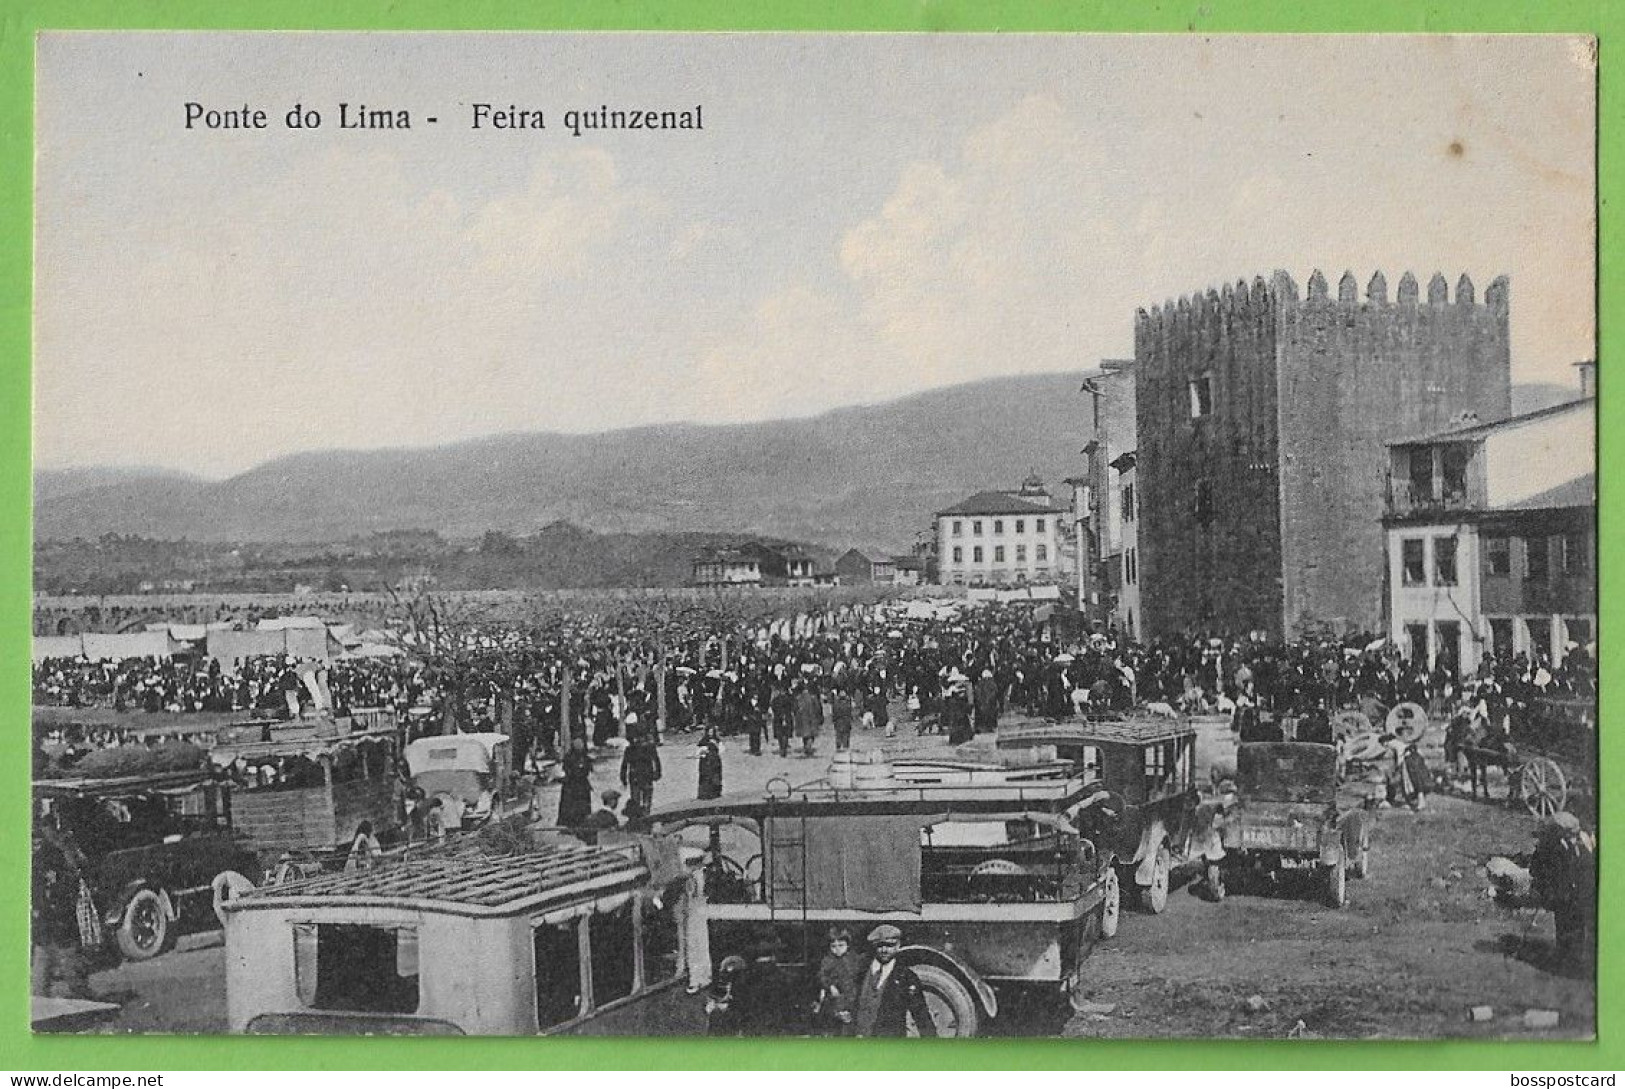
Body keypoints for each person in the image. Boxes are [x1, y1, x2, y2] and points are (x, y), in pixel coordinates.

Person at [32, 825, 92, 999]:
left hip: (45, 914)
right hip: (56, 914)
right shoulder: (53, 855)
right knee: (65, 955)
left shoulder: (41, 856)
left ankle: (41, 998)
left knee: (44, 958)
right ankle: (80, 995)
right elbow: (69, 880)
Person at [851, 925, 935, 1037]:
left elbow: (921, 1015)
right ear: (874, 946)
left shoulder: (906, 977)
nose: (884, 950)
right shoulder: (861, 971)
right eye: (880, 945)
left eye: (889, 945)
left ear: (898, 946)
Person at [815, 926, 863, 1035]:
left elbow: (858, 975)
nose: (837, 949)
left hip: (851, 993)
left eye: (841, 945)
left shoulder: (854, 959)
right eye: (833, 946)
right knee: (833, 1024)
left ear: (848, 945)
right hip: (834, 996)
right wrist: (830, 985)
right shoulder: (828, 960)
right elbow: (822, 975)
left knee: (849, 1023)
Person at [621, 730, 663, 816]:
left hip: (640, 777)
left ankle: (641, 817)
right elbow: (656, 761)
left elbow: (624, 765)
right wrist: (657, 773)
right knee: (642, 800)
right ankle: (643, 816)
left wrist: (623, 779)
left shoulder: (632, 749)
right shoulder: (634, 749)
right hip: (642, 777)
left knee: (641, 800)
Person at [557, 736, 594, 828]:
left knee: (582, 805)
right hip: (572, 784)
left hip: (581, 784)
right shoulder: (569, 757)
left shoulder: (585, 757)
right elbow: (567, 770)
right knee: (570, 805)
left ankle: (582, 822)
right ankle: (570, 823)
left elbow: (588, 769)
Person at [793, 681, 822, 757]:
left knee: (805, 735)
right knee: (811, 735)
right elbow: (818, 708)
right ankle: (808, 747)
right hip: (812, 718)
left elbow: (795, 709)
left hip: (802, 719)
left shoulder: (799, 698)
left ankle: (806, 746)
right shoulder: (813, 697)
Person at [697, 731, 723, 800]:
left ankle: (716, 793)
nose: (710, 733)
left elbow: (721, 749)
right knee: (706, 777)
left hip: (715, 760)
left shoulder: (717, 740)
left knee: (715, 776)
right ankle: (705, 794)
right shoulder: (703, 741)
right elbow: (700, 752)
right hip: (706, 762)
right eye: (709, 731)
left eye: (712, 731)